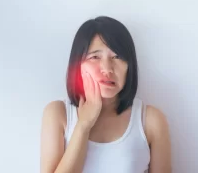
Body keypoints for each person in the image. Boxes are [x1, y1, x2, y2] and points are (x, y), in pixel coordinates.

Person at [40, 16, 171, 173]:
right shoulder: (58, 113)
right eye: (95, 57)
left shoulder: (151, 120)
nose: (107, 69)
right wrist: (83, 125)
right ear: (78, 63)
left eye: (117, 57)